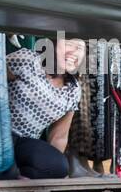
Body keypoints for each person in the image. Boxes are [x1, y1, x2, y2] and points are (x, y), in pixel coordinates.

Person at [6, 36, 87, 178]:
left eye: (79, 48)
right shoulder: (28, 60)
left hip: (24, 144)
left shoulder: (73, 90)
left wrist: (52, 167)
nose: (74, 52)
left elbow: (59, 136)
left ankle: (16, 175)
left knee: (59, 167)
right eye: (69, 44)